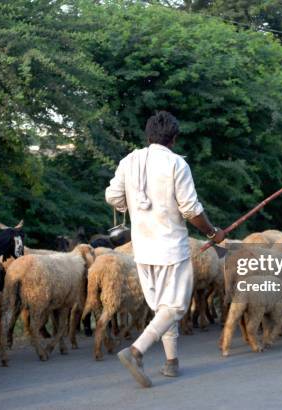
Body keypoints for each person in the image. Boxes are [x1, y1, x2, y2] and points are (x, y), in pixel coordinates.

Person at [105, 111, 225, 388]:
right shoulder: (176, 164)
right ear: (174, 138)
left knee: (162, 308)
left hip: (142, 249)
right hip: (171, 248)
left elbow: (112, 196)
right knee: (176, 305)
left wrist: (133, 205)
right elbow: (191, 210)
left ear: (148, 136)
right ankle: (135, 351)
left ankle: (171, 362)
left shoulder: (129, 160)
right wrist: (212, 233)